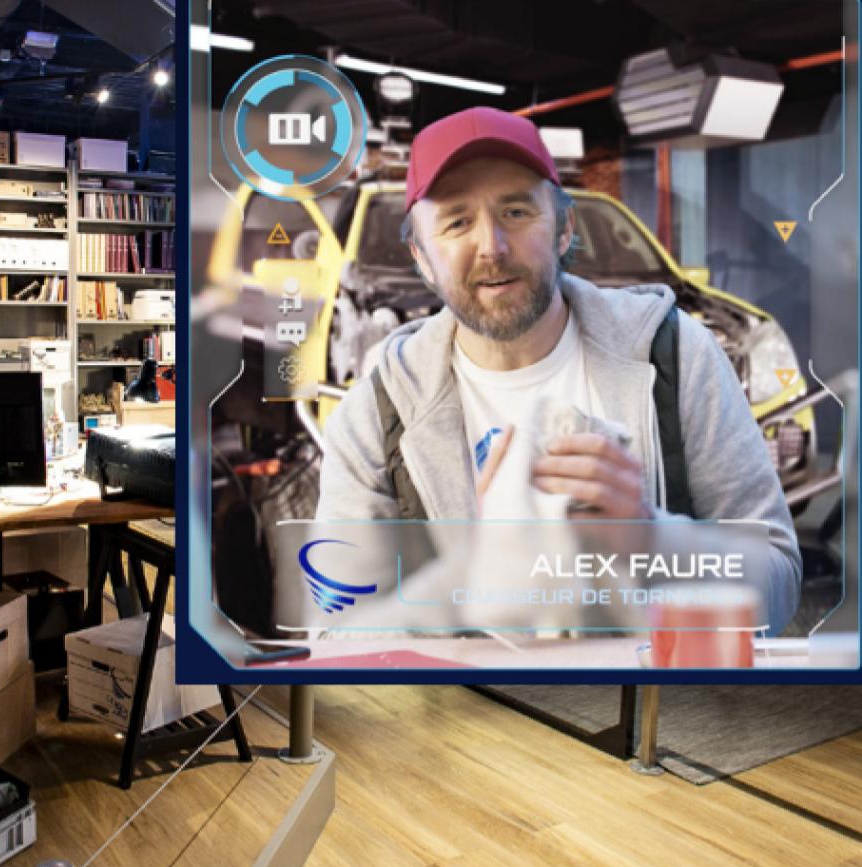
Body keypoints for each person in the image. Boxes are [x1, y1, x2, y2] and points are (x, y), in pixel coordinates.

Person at [315, 107, 800, 627]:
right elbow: (336, 629)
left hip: (654, 705)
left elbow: (777, 586)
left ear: (565, 228)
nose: (492, 247)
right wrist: (469, 578)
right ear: (422, 256)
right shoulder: (377, 408)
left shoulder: (677, 355)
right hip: (471, 709)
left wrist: (649, 537)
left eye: (517, 212)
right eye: (457, 222)